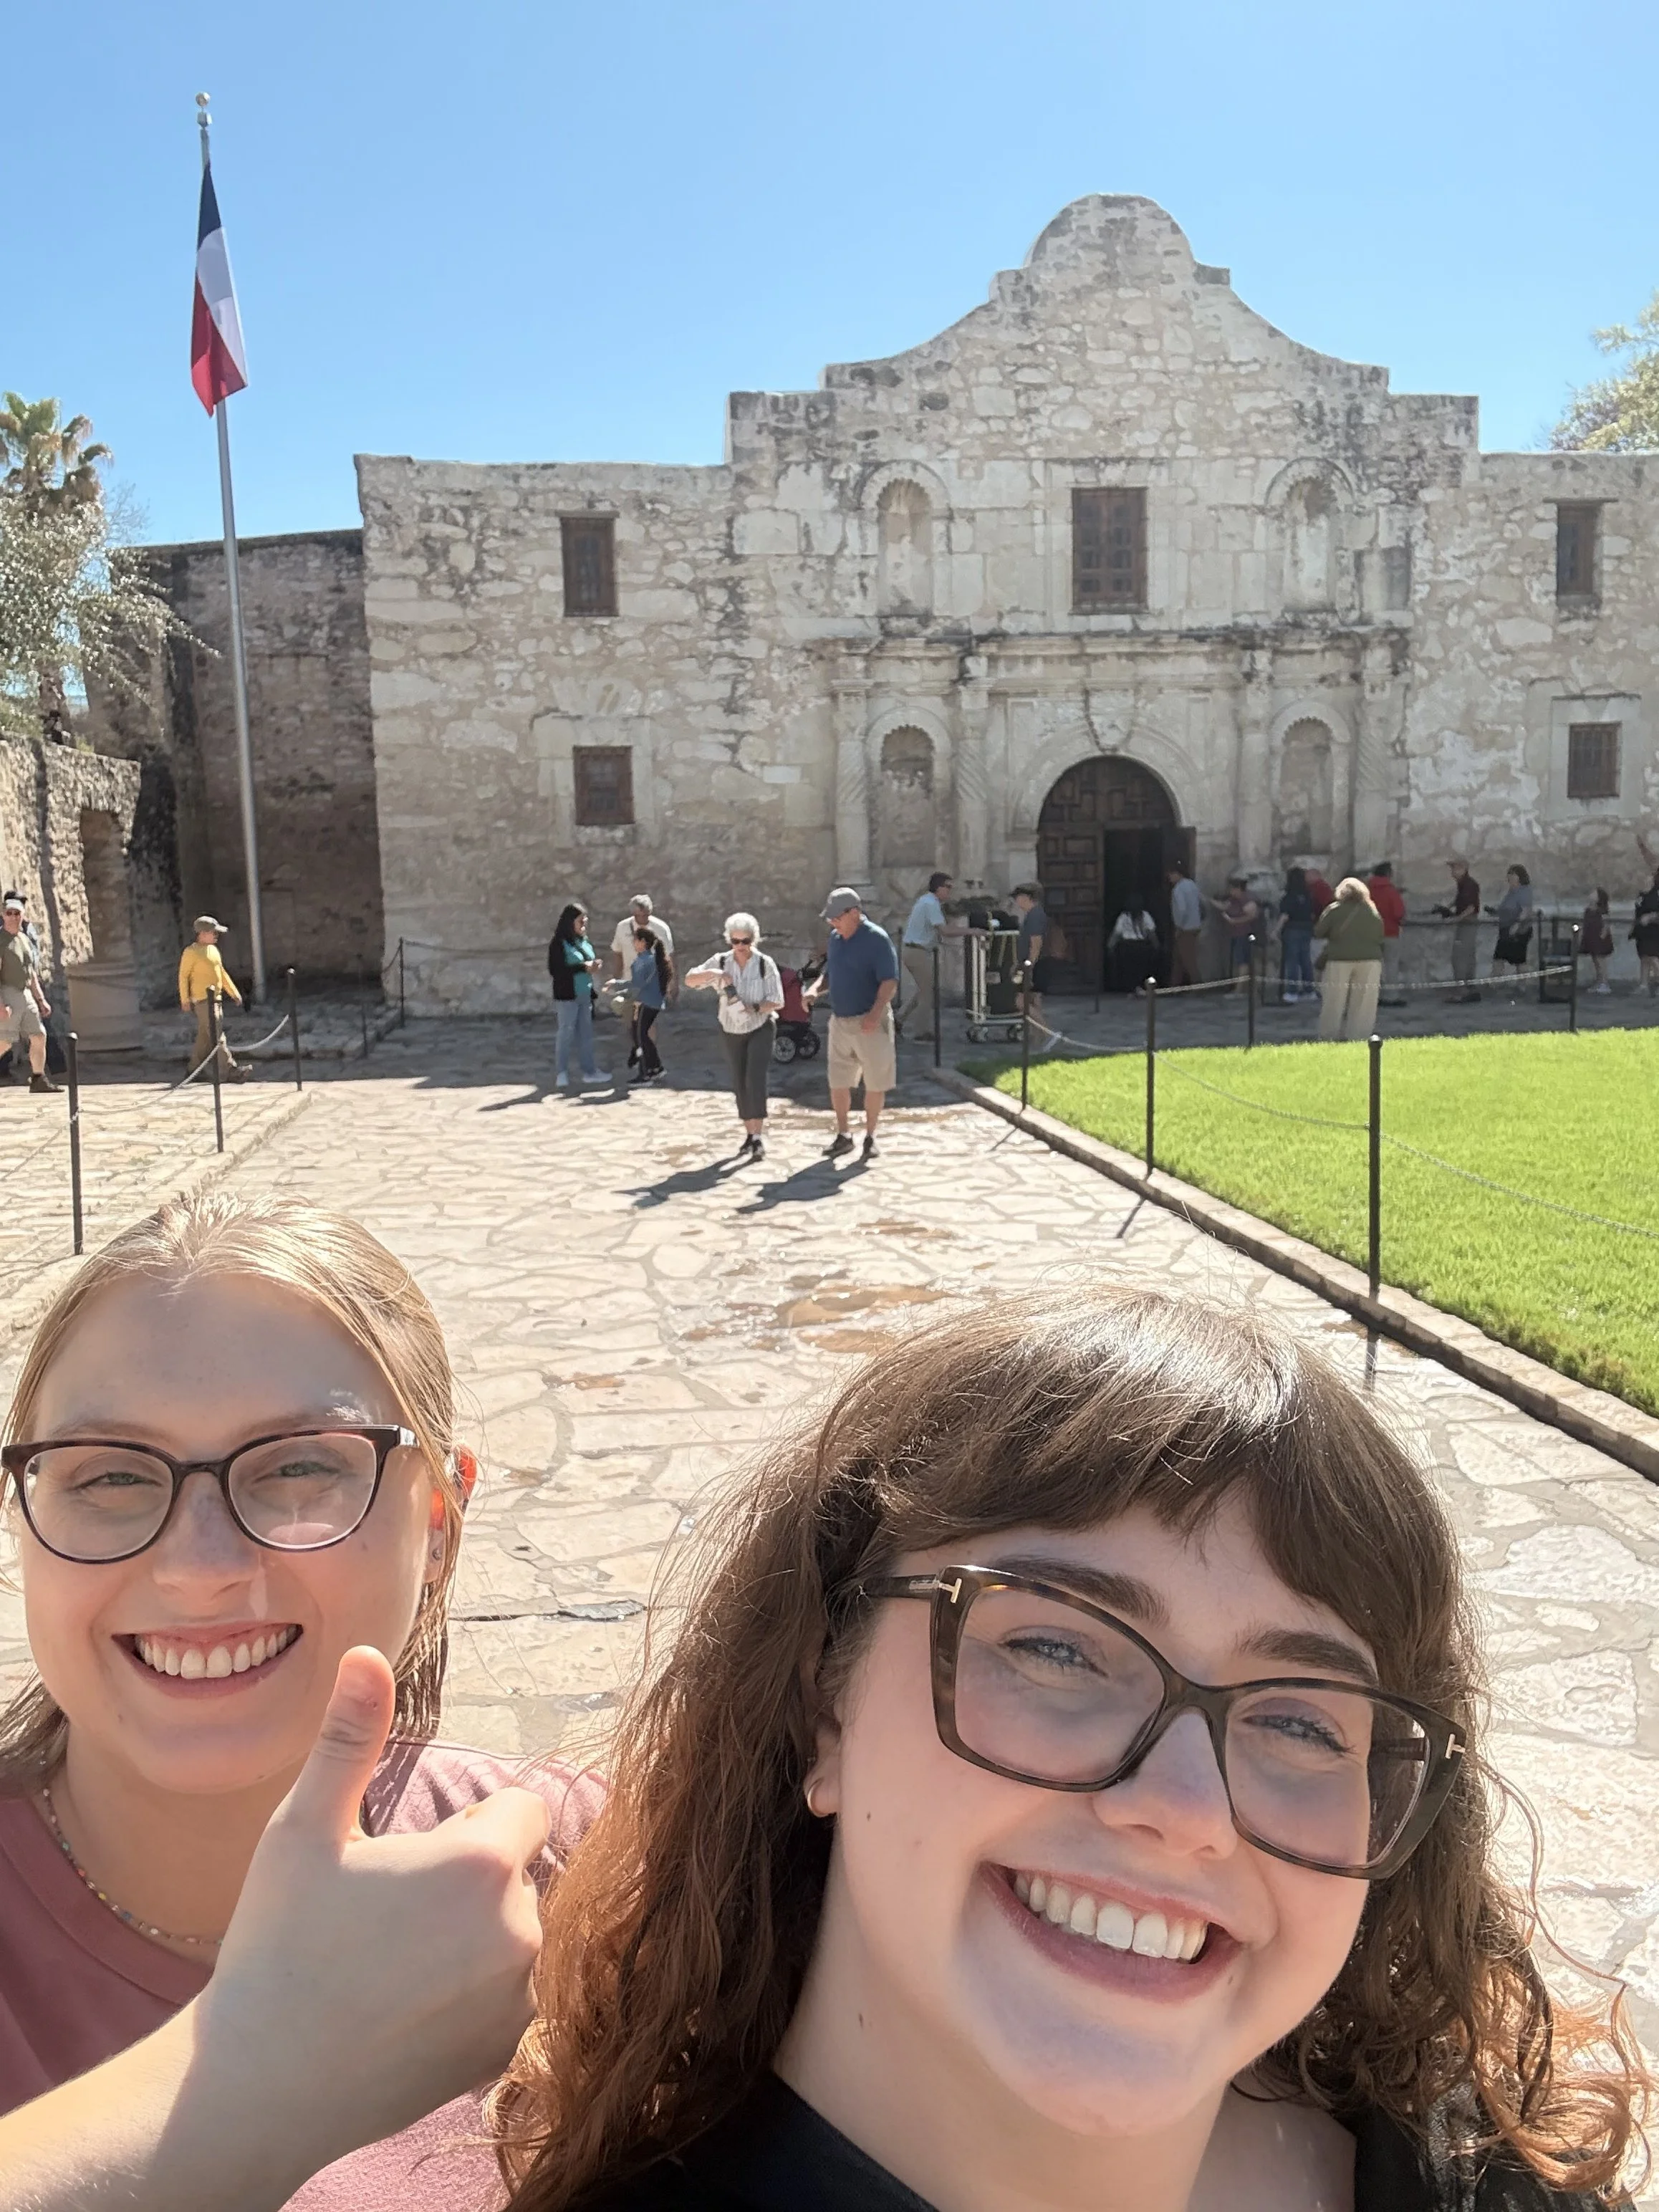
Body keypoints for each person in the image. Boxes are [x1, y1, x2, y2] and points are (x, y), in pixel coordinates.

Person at [6, 1293, 1650, 2212]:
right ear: (816, 1709)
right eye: (1055, 1649)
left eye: (1298, 1718)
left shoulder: (1488, 2182)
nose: (1176, 1806)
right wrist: (235, 2095)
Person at [0, 1188, 599, 2206]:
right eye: (108, 1478)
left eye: (302, 1468)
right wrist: (258, 2073)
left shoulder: (599, 1880)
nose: (199, 1567)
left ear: (442, 1518)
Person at [807, 890, 898, 1165]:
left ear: (855, 913)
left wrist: (874, 1014)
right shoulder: (835, 939)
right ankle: (844, 1134)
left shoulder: (877, 940)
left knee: (875, 1081)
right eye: (830, 918)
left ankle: (870, 1137)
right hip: (841, 1020)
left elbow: (889, 982)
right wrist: (814, 989)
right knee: (838, 1080)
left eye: (837, 917)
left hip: (869, 1020)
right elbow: (831, 973)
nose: (832, 923)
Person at [684, 913, 784, 1160]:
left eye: (746, 941)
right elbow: (689, 980)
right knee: (739, 1081)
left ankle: (759, 1136)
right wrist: (713, 976)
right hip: (730, 1028)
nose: (740, 947)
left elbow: (778, 1000)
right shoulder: (720, 961)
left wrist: (756, 1008)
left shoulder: (764, 963)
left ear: (754, 939)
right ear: (729, 940)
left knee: (755, 1078)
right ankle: (749, 1134)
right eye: (735, 941)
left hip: (760, 1026)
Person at [177, 915, 250, 1085]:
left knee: (205, 1038)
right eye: (213, 933)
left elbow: (222, 973)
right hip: (203, 1001)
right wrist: (185, 999)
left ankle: (193, 1070)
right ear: (202, 933)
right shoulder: (191, 952)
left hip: (216, 1000)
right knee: (218, 1037)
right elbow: (183, 976)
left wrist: (233, 992)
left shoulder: (214, 950)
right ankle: (231, 1071)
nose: (217, 936)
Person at [1, 893, 60, 1095]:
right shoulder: (1, 941)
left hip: (25, 993)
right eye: (9, 913)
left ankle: (38, 1078)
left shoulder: (24, 939)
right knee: (5, 1041)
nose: (13, 917)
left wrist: (41, 1000)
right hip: (8, 993)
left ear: (22, 915)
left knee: (39, 1035)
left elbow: (31, 972)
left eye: (17, 913)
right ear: (3, 915)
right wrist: (1, 1004)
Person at [1313, 875, 1385, 1041]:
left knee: (1334, 1000)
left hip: (1339, 959)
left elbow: (1318, 932)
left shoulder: (1334, 909)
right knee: (1364, 1002)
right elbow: (1380, 934)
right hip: (1370, 959)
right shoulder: (1372, 911)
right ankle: (1359, 1036)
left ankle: (1328, 1036)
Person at [548, 903, 602, 1090]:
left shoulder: (583, 941)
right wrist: (583, 967)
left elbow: (587, 961)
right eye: (581, 921)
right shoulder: (558, 944)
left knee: (586, 1034)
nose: (584, 924)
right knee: (566, 1032)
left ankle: (590, 1072)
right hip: (567, 995)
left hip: (584, 993)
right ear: (570, 922)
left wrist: (594, 966)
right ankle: (561, 1072)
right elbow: (556, 970)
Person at [898, 872, 956, 1042]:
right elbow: (944, 931)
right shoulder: (931, 903)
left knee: (923, 989)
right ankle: (921, 1031)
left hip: (916, 951)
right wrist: (972, 931)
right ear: (939, 888)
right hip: (917, 951)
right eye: (948, 887)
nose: (950, 891)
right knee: (927, 993)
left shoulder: (927, 901)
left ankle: (898, 1019)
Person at [627, 925, 673, 1082]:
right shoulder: (649, 959)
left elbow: (637, 984)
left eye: (635, 940)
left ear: (643, 942)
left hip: (646, 1002)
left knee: (640, 1037)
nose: (633, 943)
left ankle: (645, 1073)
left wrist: (617, 986)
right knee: (642, 1035)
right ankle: (656, 1067)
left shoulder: (644, 961)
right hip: (652, 1002)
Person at [1433, 860, 1482, 1004]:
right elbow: (1459, 901)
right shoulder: (1462, 884)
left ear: (1464, 869)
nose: (1452, 872)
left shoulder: (1470, 885)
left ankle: (1462, 992)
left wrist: (1456, 919)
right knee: (1468, 956)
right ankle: (1469, 989)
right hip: (1465, 923)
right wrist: (1446, 908)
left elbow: (1471, 907)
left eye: (1455, 868)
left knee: (1459, 957)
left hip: (1467, 923)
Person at [1010, 883, 1054, 1023]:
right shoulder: (1034, 914)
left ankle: (1046, 1033)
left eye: (1017, 898)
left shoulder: (1035, 915)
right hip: (1037, 963)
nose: (1016, 902)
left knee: (1021, 1002)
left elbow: (1036, 943)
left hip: (1034, 964)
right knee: (1034, 1000)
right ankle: (1038, 1038)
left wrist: (1028, 965)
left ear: (1025, 897)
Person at [1208, 876, 1260, 992]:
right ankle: (1247, 988)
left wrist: (1234, 921)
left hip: (1245, 934)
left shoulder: (1247, 900)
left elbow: (1252, 916)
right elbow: (1224, 906)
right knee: (1240, 961)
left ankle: (1239, 989)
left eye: (1232, 889)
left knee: (1243, 961)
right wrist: (1210, 901)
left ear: (1238, 889)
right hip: (1236, 934)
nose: (1230, 891)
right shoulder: (1233, 900)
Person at [1366, 862, 1407, 1006]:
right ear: (1389, 874)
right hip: (1390, 932)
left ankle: (1371, 996)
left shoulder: (1367, 891)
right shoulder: (1391, 891)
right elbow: (1399, 913)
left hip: (1370, 933)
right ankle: (1391, 996)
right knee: (1391, 965)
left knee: (1372, 966)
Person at [1487, 866, 1534, 991]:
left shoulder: (1524, 891)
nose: (1510, 878)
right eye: (1509, 876)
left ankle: (1522, 985)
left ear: (1520, 877)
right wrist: (1495, 912)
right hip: (1506, 930)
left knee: (1519, 959)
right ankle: (1495, 983)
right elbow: (1507, 909)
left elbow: (1525, 911)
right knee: (1498, 957)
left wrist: (1517, 925)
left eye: (1513, 876)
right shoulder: (1511, 892)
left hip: (1519, 931)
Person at [610, 895, 674, 980]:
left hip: (655, 981)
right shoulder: (623, 927)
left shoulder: (661, 928)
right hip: (629, 979)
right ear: (633, 914)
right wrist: (615, 978)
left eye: (645, 915)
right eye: (638, 916)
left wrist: (673, 982)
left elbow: (669, 956)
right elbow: (618, 953)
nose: (642, 919)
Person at [1277, 867, 1315, 1005]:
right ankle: (1309, 990)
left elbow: (1285, 916)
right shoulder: (1308, 896)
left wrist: (1275, 932)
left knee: (1292, 961)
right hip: (1306, 929)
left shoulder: (1289, 897)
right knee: (1305, 960)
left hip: (1293, 930)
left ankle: (1292, 991)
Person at [1106, 904, 1159, 996]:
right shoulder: (1143, 915)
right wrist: (1156, 946)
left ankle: (1132, 989)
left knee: (1130, 969)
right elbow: (1151, 933)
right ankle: (1137, 988)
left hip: (1131, 947)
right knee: (1139, 969)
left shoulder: (1125, 916)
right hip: (1137, 946)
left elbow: (1117, 934)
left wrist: (1110, 946)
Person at [1165, 860, 1203, 987]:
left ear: (1177, 874)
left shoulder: (1178, 889)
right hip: (1195, 925)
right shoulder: (1192, 885)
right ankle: (1174, 986)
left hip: (1185, 928)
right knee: (1178, 958)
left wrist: (1179, 927)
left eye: (1171, 875)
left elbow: (1182, 910)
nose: (1169, 878)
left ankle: (1198, 986)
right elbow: (1201, 903)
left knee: (1188, 959)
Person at [1579, 889, 1614, 996]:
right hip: (1591, 937)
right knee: (1595, 960)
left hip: (1600, 938)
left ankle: (1605, 982)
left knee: (1600, 960)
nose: (1591, 894)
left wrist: (1603, 934)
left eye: (1594, 893)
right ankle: (1599, 981)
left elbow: (1606, 923)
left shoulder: (1601, 910)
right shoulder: (1588, 909)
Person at [1632, 865, 1659, 995]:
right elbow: (1637, 911)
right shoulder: (1641, 895)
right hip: (1642, 930)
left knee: (1653, 957)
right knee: (1644, 957)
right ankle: (1644, 984)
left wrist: (1651, 916)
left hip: (1654, 930)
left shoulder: (1656, 894)